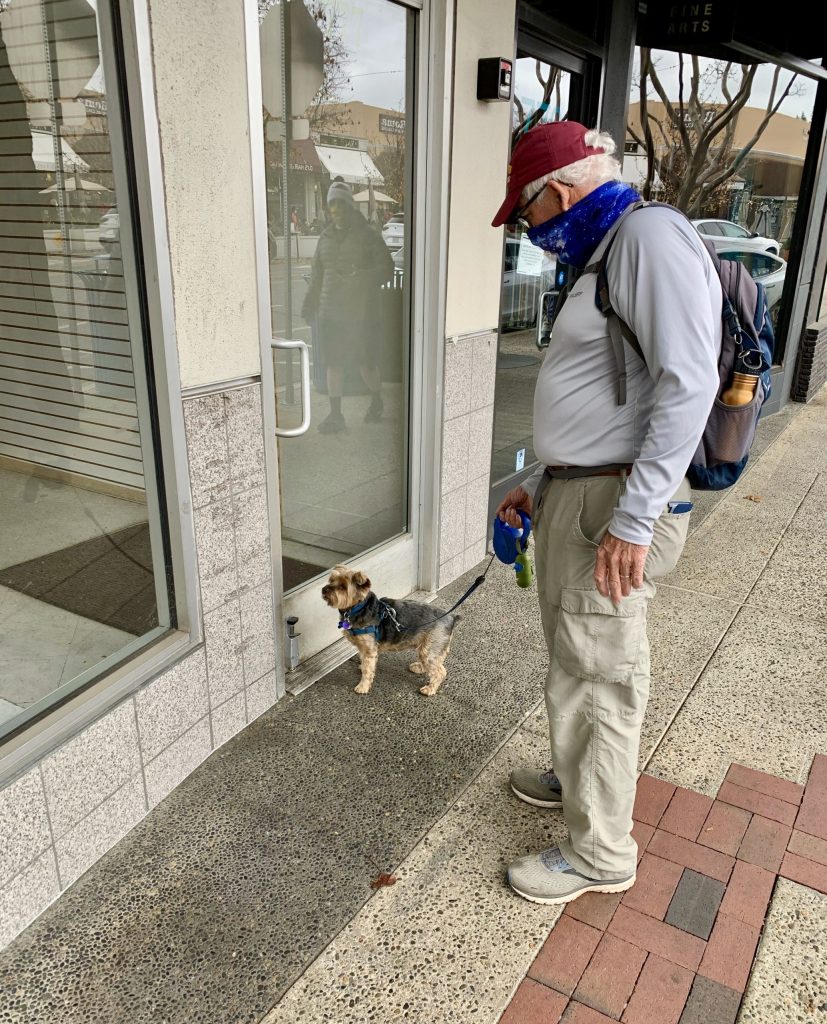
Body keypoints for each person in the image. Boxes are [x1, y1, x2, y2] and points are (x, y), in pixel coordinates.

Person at [491, 121, 721, 906]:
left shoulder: (645, 239)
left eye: (527, 219)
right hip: (581, 490)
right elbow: (603, 392)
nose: (533, 234)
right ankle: (574, 776)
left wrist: (632, 518)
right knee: (577, 656)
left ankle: (598, 854)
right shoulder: (609, 251)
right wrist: (542, 477)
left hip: (616, 502)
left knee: (601, 672)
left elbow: (686, 384)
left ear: (554, 194)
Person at [301, 180, 394, 432]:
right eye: (332, 205)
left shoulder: (367, 236)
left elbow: (387, 269)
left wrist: (361, 275)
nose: (336, 210)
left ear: (350, 207)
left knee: (366, 363)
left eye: (341, 204)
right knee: (334, 363)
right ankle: (336, 415)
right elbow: (318, 274)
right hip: (332, 312)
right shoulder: (325, 237)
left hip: (362, 313)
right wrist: (310, 304)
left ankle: (376, 400)